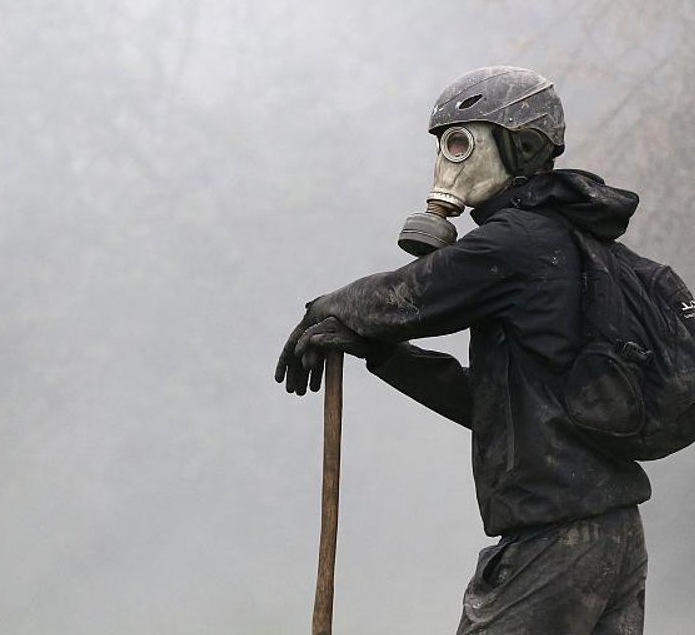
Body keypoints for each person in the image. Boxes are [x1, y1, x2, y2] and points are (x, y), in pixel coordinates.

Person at [275, 66, 649, 634]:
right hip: (612, 534)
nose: (447, 163)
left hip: (555, 541)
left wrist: (326, 307)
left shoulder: (519, 242)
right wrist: (384, 355)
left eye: (459, 142)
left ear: (522, 147)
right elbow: (493, 405)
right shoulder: (570, 244)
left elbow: (407, 295)